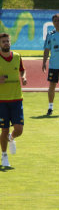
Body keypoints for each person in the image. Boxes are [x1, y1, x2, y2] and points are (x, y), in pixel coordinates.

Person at [0, 33, 27, 167]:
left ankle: (11, 138)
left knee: (19, 129)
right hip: (2, 101)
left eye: (7, 41)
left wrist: (23, 77)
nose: (6, 43)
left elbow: (22, 70)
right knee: (3, 130)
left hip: (16, 99)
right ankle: (4, 156)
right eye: (3, 41)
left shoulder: (17, 56)